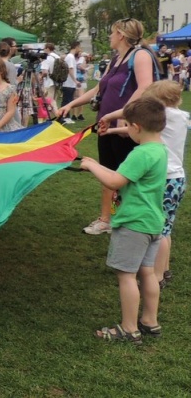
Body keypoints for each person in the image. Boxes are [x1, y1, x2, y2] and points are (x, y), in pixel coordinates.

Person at [57, 18, 156, 235]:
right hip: (106, 125)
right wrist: (70, 104)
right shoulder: (115, 60)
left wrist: (123, 113)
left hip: (128, 128)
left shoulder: (140, 55)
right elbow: (98, 91)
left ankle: (127, 220)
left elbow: (145, 87)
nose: (109, 37)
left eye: (112, 33)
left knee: (126, 176)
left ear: (120, 34)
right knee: (107, 173)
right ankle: (106, 219)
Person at [79, 97, 166, 343]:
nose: (126, 130)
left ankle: (128, 328)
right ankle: (150, 321)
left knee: (126, 275)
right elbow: (122, 176)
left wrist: (93, 169)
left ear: (136, 127)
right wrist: (96, 164)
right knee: (147, 273)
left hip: (133, 224)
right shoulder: (159, 150)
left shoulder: (140, 154)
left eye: (127, 126)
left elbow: (115, 182)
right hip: (152, 223)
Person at [139, 81, 187, 290]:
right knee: (168, 226)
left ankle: (157, 276)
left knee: (161, 230)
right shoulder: (182, 116)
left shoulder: (163, 116)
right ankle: (164, 269)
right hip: (177, 179)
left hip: (164, 178)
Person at [61, 41, 82, 122]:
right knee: (67, 101)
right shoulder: (70, 57)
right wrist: (75, 81)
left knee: (68, 100)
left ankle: (66, 117)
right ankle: (64, 117)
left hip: (70, 83)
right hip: (68, 83)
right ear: (76, 47)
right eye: (79, 47)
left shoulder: (71, 57)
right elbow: (70, 69)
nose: (80, 49)